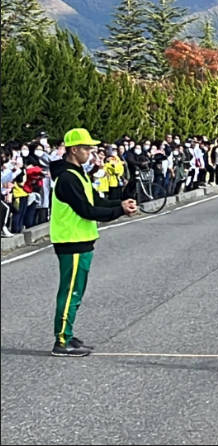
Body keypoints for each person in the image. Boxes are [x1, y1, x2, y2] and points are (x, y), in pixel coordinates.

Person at [49, 128, 137, 357]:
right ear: (74, 149)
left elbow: (95, 200)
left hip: (81, 239)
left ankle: (67, 334)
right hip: (72, 240)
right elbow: (86, 210)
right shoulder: (67, 178)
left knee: (76, 291)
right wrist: (119, 210)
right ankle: (61, 340)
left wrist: (119, 203)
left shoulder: (78, 173)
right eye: (87, 148)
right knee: (70, 293)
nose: (91, 152)